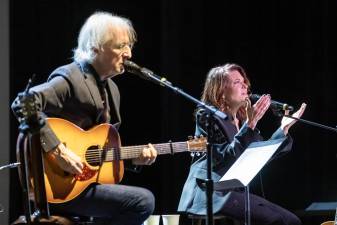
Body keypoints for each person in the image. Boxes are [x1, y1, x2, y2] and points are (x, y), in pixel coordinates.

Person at [12, 12, 157, 225]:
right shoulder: (71, 78)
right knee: (143, 201)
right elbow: (22, 104)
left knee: (141, 201)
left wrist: (133, 160)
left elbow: (98, 152)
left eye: (129, 46)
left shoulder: (113, 90)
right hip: (57, 186)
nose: (128, 54)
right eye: (120, 46)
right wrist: (58, 151)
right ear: (94, 47)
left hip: (85, 184)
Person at [178, 63, 306, 225]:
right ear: (220, 91)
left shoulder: (243, 121)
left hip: (233, 193)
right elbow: (223, 158)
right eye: (237, 82)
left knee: (292, 221)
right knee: (277, 221)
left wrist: (283, 129)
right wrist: (250, 125)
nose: (245, 85)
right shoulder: (207, 116)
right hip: (211, 193)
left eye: (244, 81)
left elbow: (258, 157)